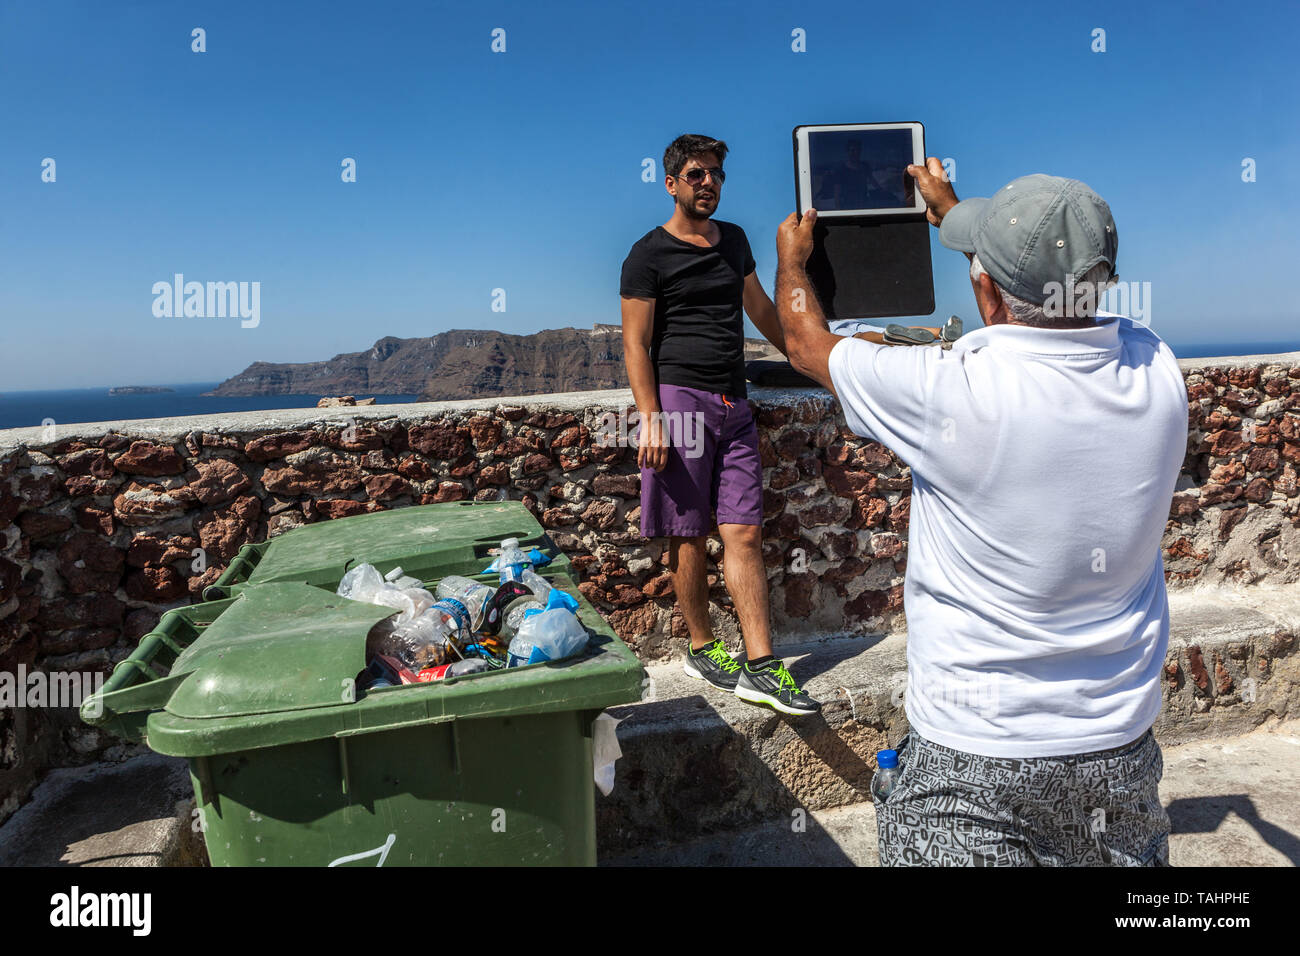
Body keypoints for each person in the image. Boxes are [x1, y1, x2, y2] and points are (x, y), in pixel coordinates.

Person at [771, 158, 1188, 865]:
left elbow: (806, 341)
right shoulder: (1156, 368)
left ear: (984, 286)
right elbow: (1043, 306)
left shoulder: (949, 390)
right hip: (1119, 748)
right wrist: (960, 218)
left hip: (974, 758)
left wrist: (793, 263)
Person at [619, 133, 821, 716]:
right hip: (678, 401)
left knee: (744, 531)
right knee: (687, 531)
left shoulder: (732, 241)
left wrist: (808, 355)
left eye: (716, 175)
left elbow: (758, 307)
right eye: (697, 174)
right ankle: (703, 646)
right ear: (672, 182)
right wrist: (650, 418)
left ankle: (761, 666)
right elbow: (635, 343)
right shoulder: (647, 255)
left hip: (735, 402)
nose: (709, 183)